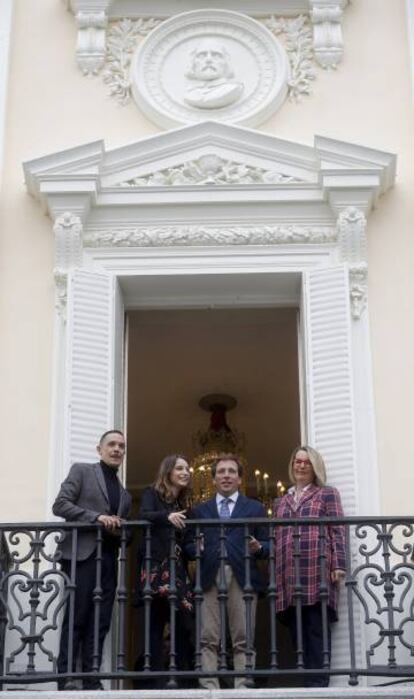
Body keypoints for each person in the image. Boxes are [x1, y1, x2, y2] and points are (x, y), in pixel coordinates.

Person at [53, 430, 131, 691]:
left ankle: (91, 678)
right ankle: (65, 678)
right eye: (112, 444)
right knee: (76, 618)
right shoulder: (82, 471)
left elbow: (123, 533)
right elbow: (60, 505)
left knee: (100, 622)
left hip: (108, 560)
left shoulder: (125, 494)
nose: (117, 449)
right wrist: (96, 517)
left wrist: (121, 531)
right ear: (100, 449)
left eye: (121, 445)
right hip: (81, 557)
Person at [184, 453, 268, 689]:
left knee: (243, 637)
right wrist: (195, 548)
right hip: (209, 575)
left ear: (240, 479)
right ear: (214, 479)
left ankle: (243, 686)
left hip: (243, 576)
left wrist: (258, 547)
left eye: (232, 471)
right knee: (207, 636)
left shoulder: (255, 507)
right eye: (221, 472)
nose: (226, 476)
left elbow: (268, 543)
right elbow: (188, 545)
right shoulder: (200, 510)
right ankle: (208, 686)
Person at [273, 445, 345, 688]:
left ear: (315, 467)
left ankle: (318, 685)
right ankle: (308, 682)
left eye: (306, 462)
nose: (301, 465)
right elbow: (274, 537)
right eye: (297, 461)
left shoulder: (326, 493)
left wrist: (339, 563)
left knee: (316, 629)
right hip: (288, 574)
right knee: (297, 635)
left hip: (317, 569)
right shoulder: (280, 500)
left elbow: (337, 529)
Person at [137, 454, 193, 688]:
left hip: (177, 569)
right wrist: (166, 516)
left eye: (187, 469)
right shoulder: (153, 493)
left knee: (183, 622)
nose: (186, 472)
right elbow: (144, 514)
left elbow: (185, 539)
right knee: (156, 622)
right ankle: (152, 681)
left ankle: (180, 677)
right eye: (180, 468)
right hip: (155, 566)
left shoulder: (183, 504)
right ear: (168, 471)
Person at [184, 39, 244, 109]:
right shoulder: (190, 93)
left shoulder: (232, 89)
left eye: (216, 55)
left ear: (225, 62)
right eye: (202, 56)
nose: (208, 60)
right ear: (193, 63)